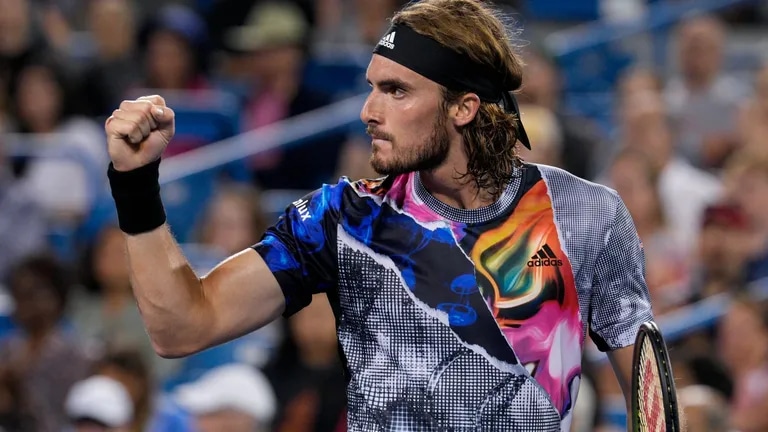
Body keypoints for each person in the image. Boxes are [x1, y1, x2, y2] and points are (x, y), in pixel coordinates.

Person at [103, 1, 654, 430]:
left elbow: (652, 404)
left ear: (463, 106)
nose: (369, 110)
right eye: (372, 88)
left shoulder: (587, 215)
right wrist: (135, 185)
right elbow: (183, 326)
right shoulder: (342, 218)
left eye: (396, 91)